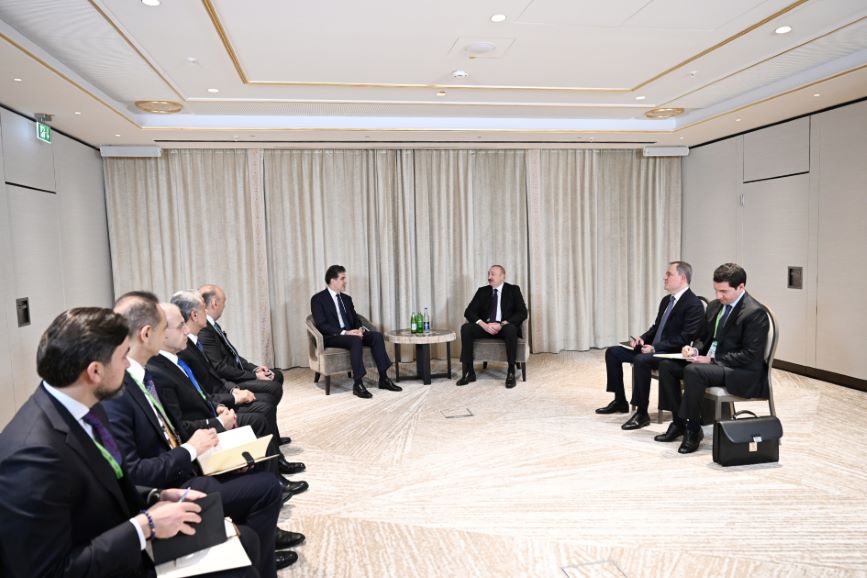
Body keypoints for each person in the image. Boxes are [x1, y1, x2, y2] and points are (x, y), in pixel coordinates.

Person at [0, 307, 259, 577]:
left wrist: (156, 495)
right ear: (95, 371)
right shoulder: (31, 456)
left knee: (246, 541)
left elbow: (110, 480)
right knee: (241, 570)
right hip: (107, 563)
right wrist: (144, 526)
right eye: (123, 356)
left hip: (121, 540)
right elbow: (49, 571)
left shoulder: (87, 406)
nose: (127, 365)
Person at [101, 292, 301, 574]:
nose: (184, 330)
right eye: (167, 327)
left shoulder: (144, 376)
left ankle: (254, 547)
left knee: (257, 478)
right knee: (265, 490)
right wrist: (193, 450)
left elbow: (171, 429)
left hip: (184, 467)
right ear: (147, 334)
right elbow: (140, 468)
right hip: (171, 485)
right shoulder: (124, 389)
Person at [148, 302, 308, 497]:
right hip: (202, 429)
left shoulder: (175, 358)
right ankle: (272, 482)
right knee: (259, 415)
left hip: (214, 406)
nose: (186, 329)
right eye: (180, 325)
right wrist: (219, 420)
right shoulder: (160, 370)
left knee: (263, 407)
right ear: (160, 333)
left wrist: (218, 406)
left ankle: (273, 474)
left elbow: (202, 390)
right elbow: (180, 424)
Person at [654, 263, 770, 454]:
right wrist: (694, 350)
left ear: (741, 287)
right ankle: (678, 422)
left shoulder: (755, 313)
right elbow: (703, 338)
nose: (718, 296)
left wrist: (712, 359)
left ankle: (693, 430)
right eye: (716, 290)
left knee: (694, 371)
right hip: (714, 364)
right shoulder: (715, 306)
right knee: (667, 365)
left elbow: (750, 355)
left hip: (741, 371)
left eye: (724, 291)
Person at [595, 261, 705, 430]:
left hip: (671, 354)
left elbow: (685, 337)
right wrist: (642, 339)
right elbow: (656, 327)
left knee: (641, 360)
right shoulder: (666, 301)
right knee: (613, 352)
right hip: (653, 349)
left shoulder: (693, 304)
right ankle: (620, 401)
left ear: (682, 278)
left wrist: (655, 348)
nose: (664, 277)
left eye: (669, 274)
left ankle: (642, 413)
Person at [310, 264, 401, 398]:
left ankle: (384, 378)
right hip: (333, 336)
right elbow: (322, 325)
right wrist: (346, 333)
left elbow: (355, 318)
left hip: (352, 334)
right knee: (355, 340)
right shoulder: (318, 299)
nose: (345, 282)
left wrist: (359, 328)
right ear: (333, 280)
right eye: (342, 278)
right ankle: (358, 384)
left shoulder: (346, 299)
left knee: (376, 336)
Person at [197, 284, 284, 404]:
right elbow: (220, 368)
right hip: (228, 381)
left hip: (234, 373)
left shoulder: (212, 326)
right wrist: (254, 376)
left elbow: (233, 356)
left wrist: (255, 369)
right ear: (214, 303)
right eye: (224, 301)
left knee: (276, 375)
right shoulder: (204, 330)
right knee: (273, 387)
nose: (224, 306)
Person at [457, 265, 528, 389]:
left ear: (502, 276)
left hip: (504, 327)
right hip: (486, 327)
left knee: (511, 329)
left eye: (493, 274)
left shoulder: (513, 290)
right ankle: (469, 372)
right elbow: (469, 312)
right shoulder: (482, 291)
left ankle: (511, 371)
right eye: (488, 274)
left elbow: (522, 312)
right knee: (466, 328)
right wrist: (484, 325)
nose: (489, 277)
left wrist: (503, 324)